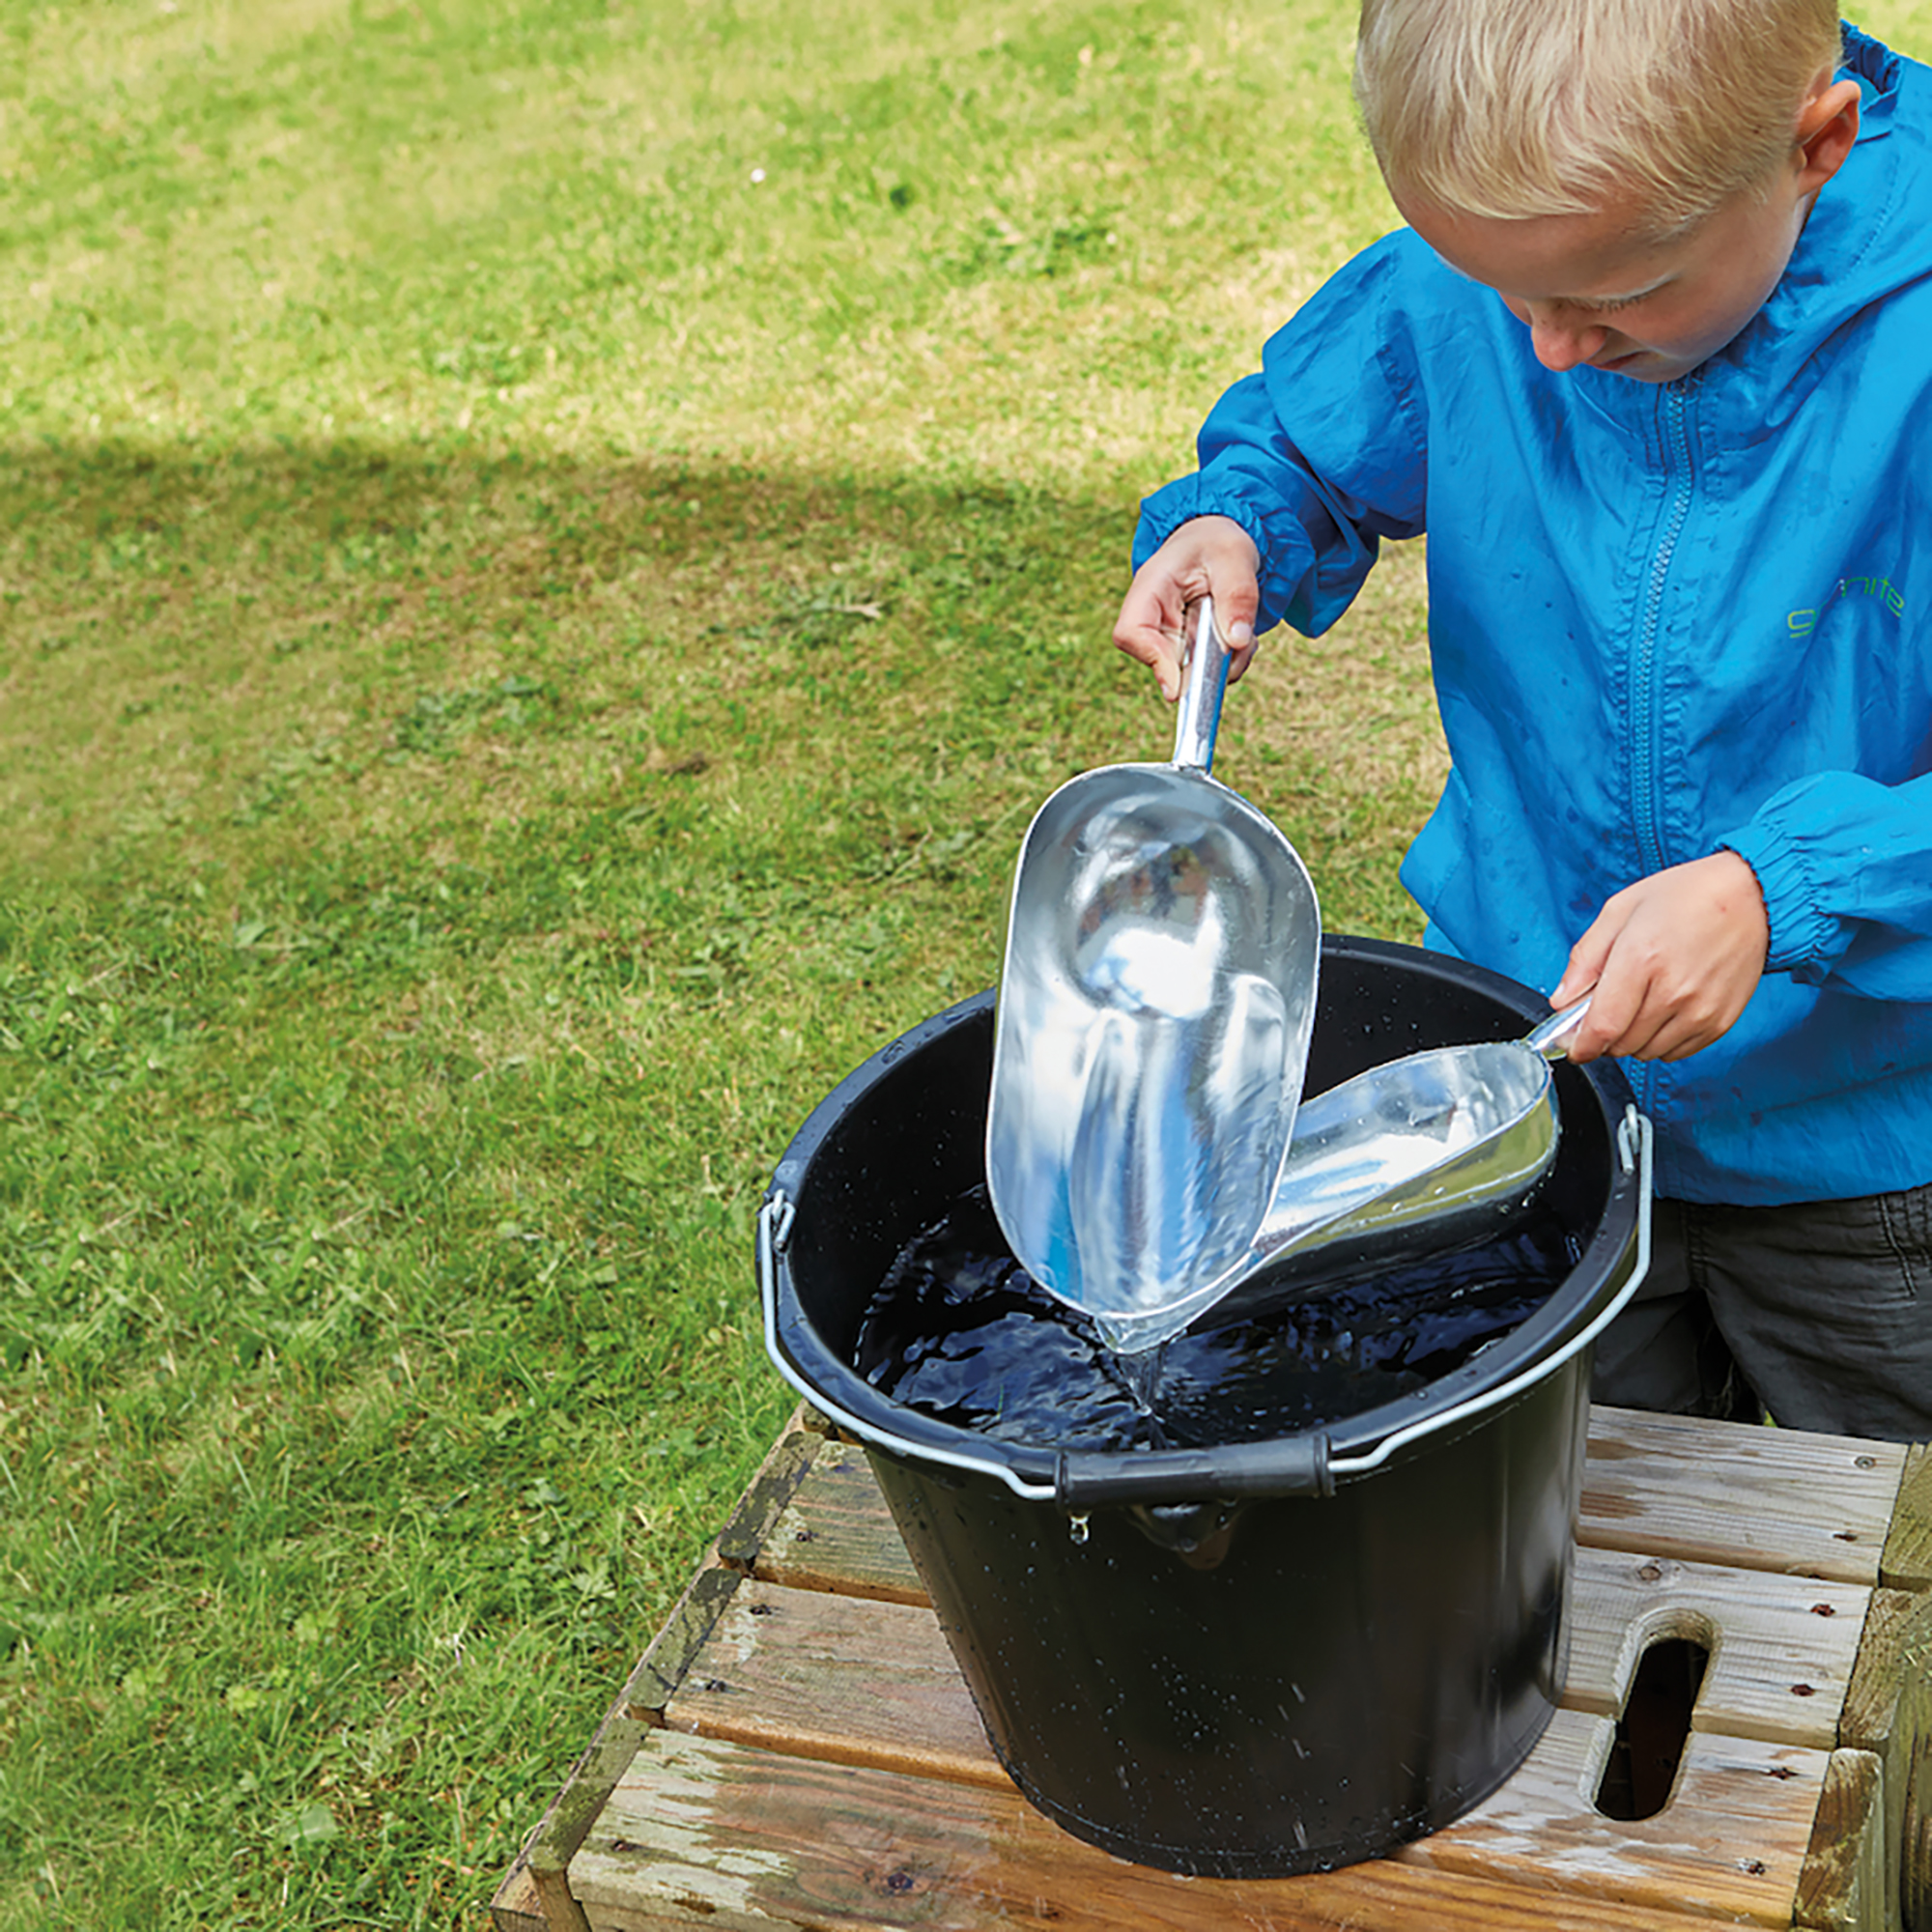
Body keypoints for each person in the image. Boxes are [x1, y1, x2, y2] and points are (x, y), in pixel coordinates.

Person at [1114, 0, 1932, 1440]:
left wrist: (1780, 890)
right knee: (1592, 1510)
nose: (1549, 350)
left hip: (1869, 1159)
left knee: (1876, 1553)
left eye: (1617, 298)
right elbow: (1312, 429)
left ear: (1815, 145)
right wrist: (1241, 520)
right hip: (1543, 1080)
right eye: (1502, 292)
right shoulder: (1498, 276)